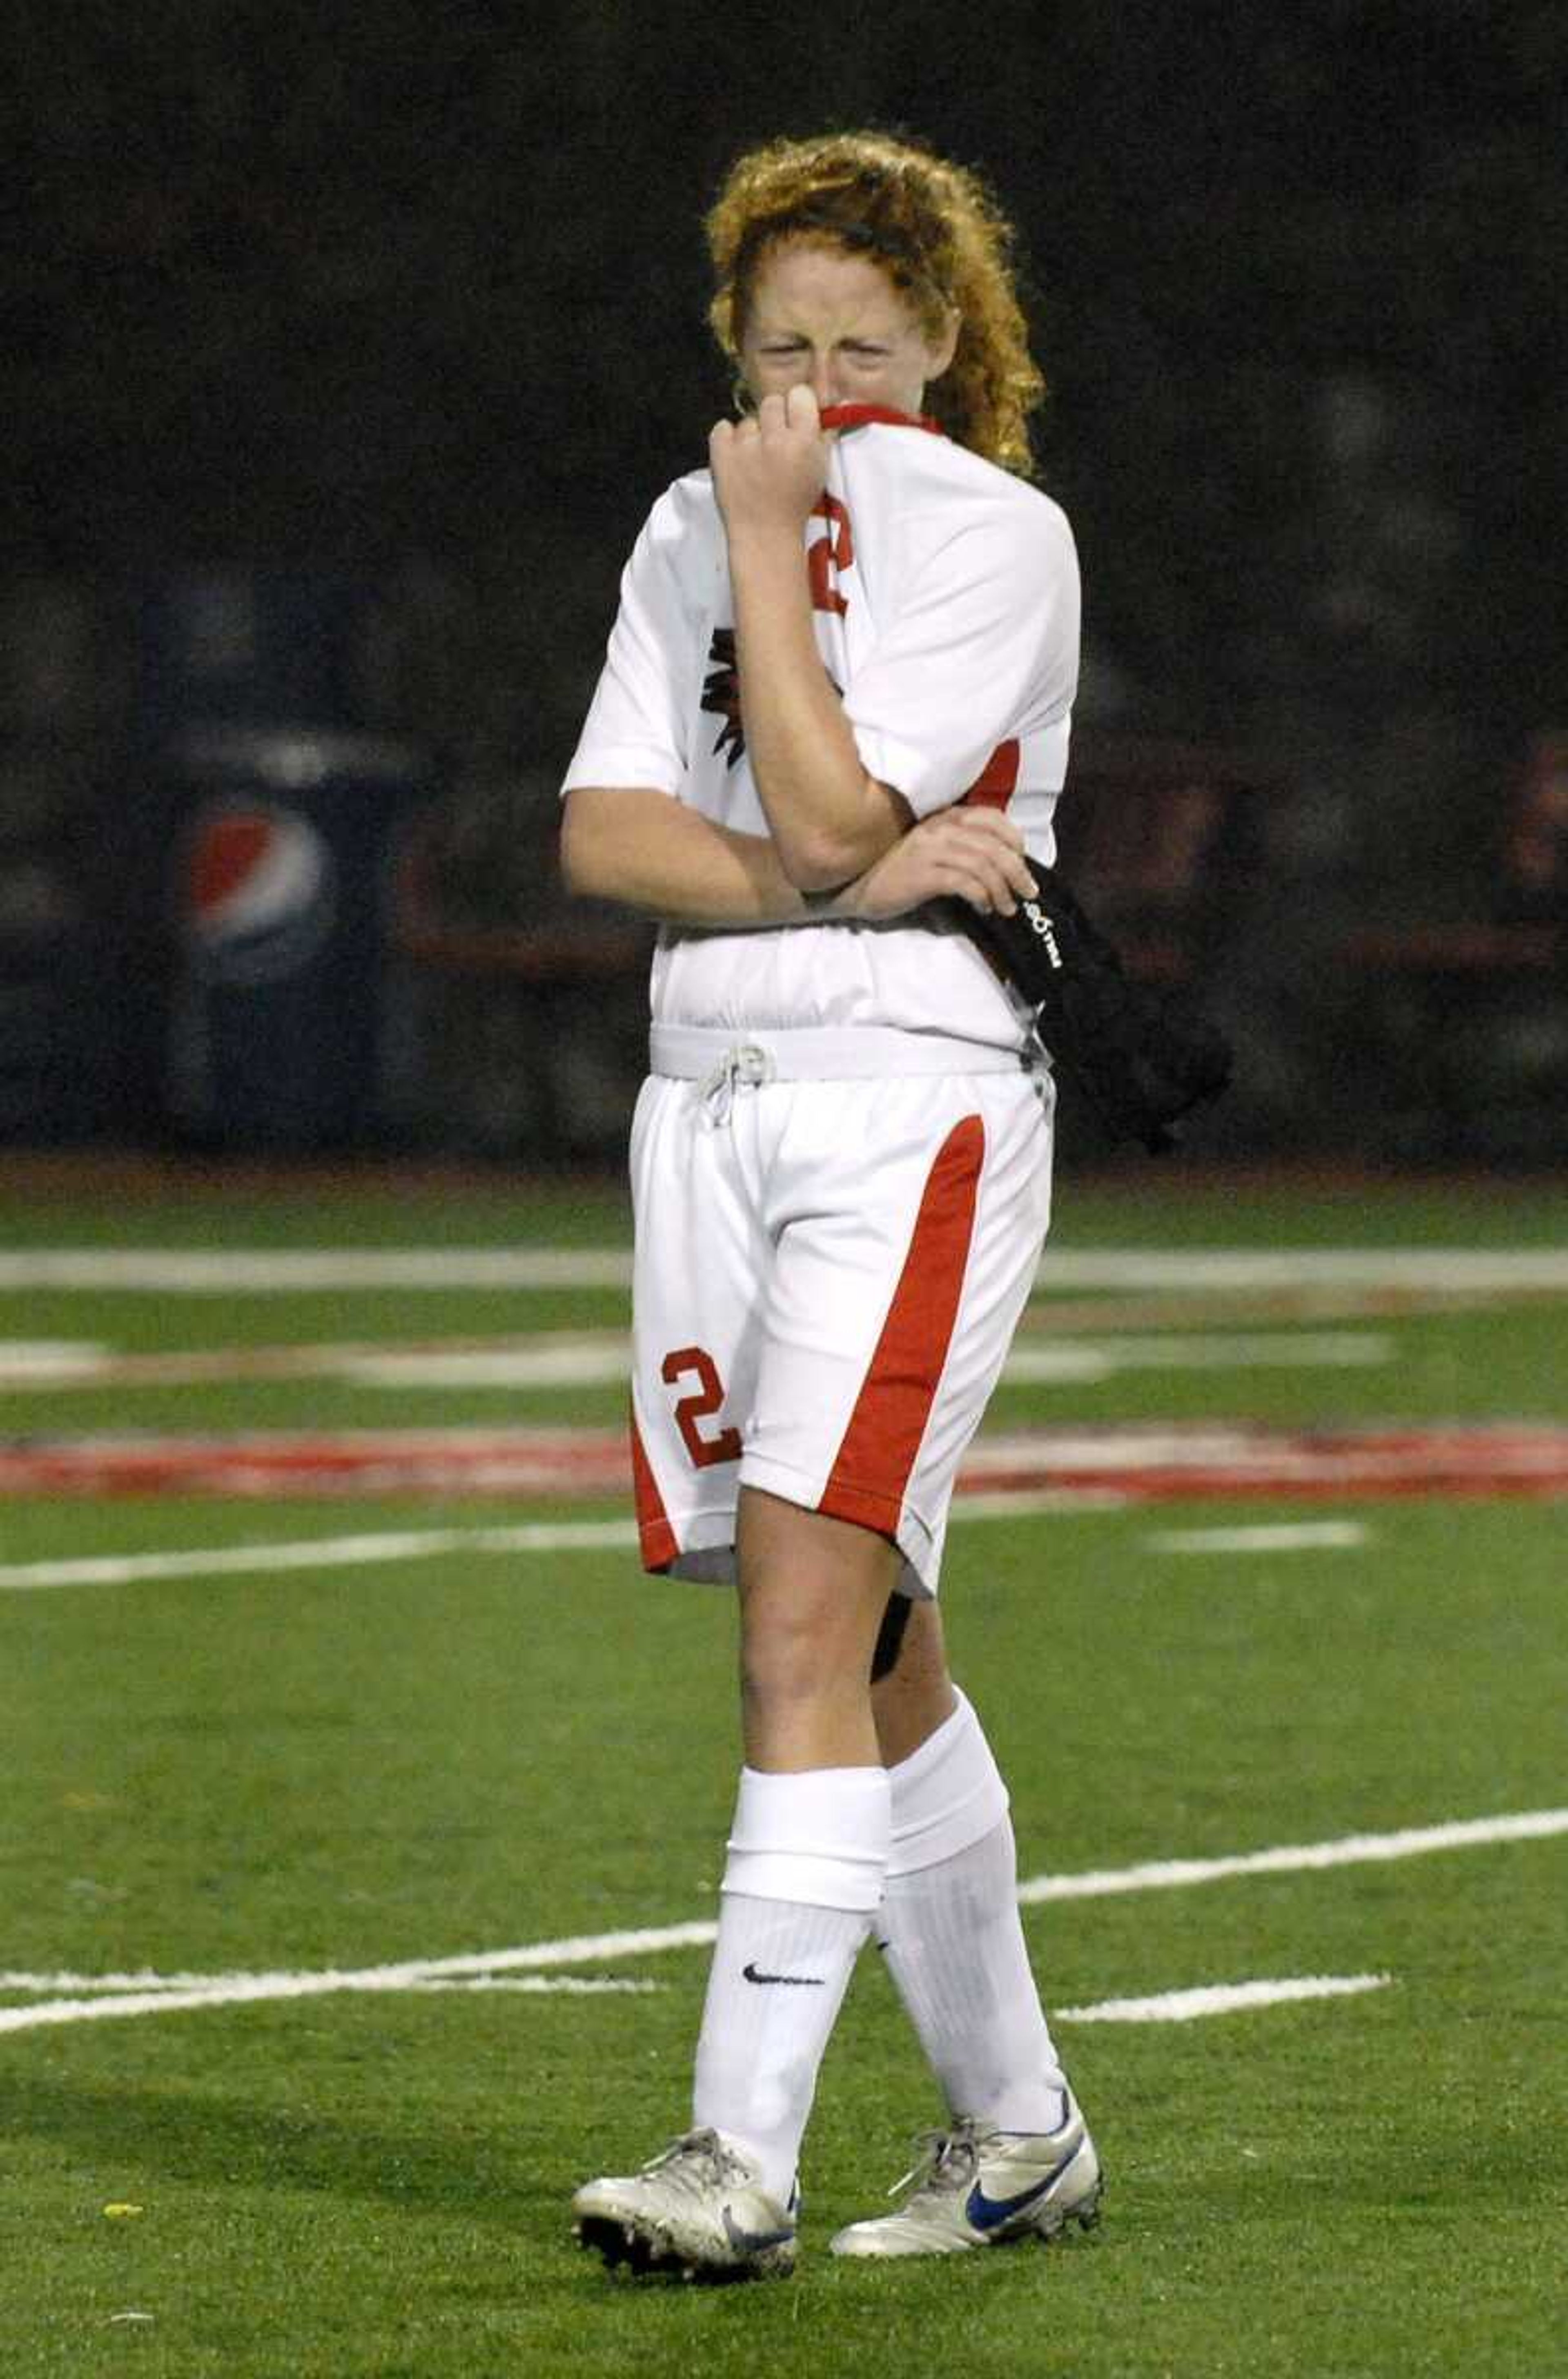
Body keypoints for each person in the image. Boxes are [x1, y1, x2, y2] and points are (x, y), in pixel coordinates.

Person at [559, 129, 1100, 2281]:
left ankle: (734, 2155)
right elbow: (610, 831)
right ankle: (1020, 2130)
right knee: (876, 1642)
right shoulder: (690, 516)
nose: (819, 386)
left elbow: (808, 791)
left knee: (800, 1620)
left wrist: (778, 568)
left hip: (909, 1114)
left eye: (863, 343)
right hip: (711, 1106)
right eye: (779, 346)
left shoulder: (990, 528)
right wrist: (848, 864)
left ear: (950, 339)